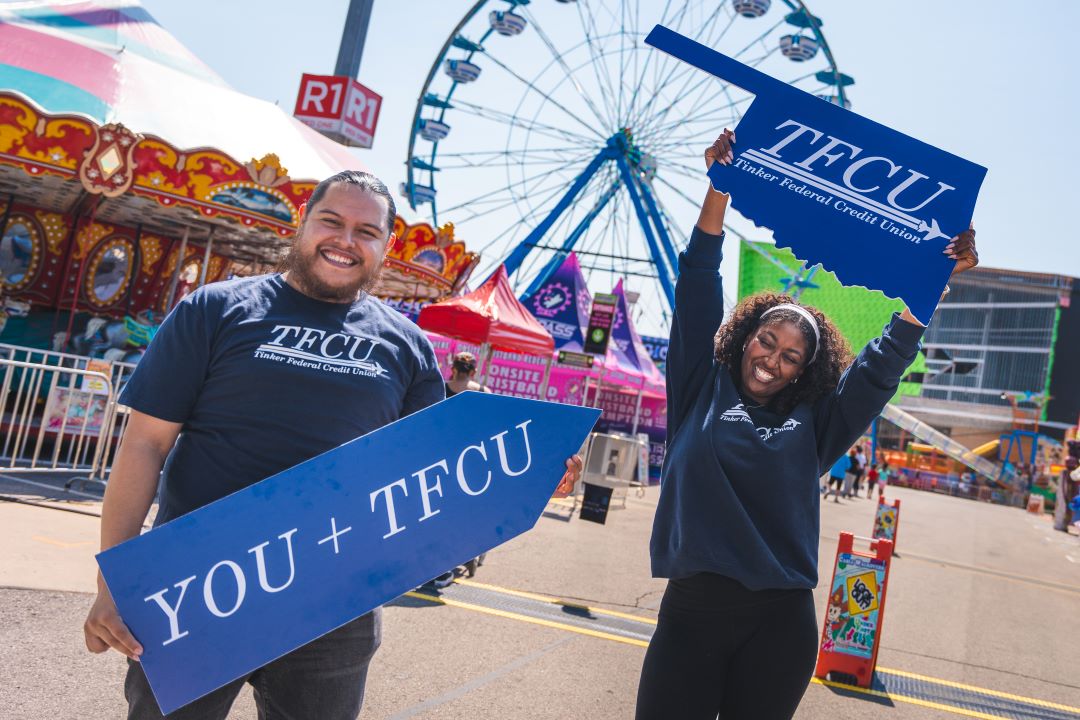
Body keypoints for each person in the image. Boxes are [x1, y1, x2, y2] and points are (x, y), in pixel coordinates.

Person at [82, 170, 583, 720]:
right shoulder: (214, 310)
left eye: (366, 231)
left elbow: (436, 481)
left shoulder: (407, 346)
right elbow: (144, 447)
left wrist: (536, 473)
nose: (346, 241)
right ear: (303, 222)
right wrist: (114, 582)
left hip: (335, 609)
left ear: (385, 247)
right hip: (196, 589)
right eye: (332, 221)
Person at [634, 130, 979, 720]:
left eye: (791, 356)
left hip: (780, 623)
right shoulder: (700, 386)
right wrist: (721, 185)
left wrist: (935, 276)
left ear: (804, 371)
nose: (772, 359)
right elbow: (698, 281)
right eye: (766, 341)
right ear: (744, 337)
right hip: (691, 613)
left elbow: (881, 365)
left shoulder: (816, 422)